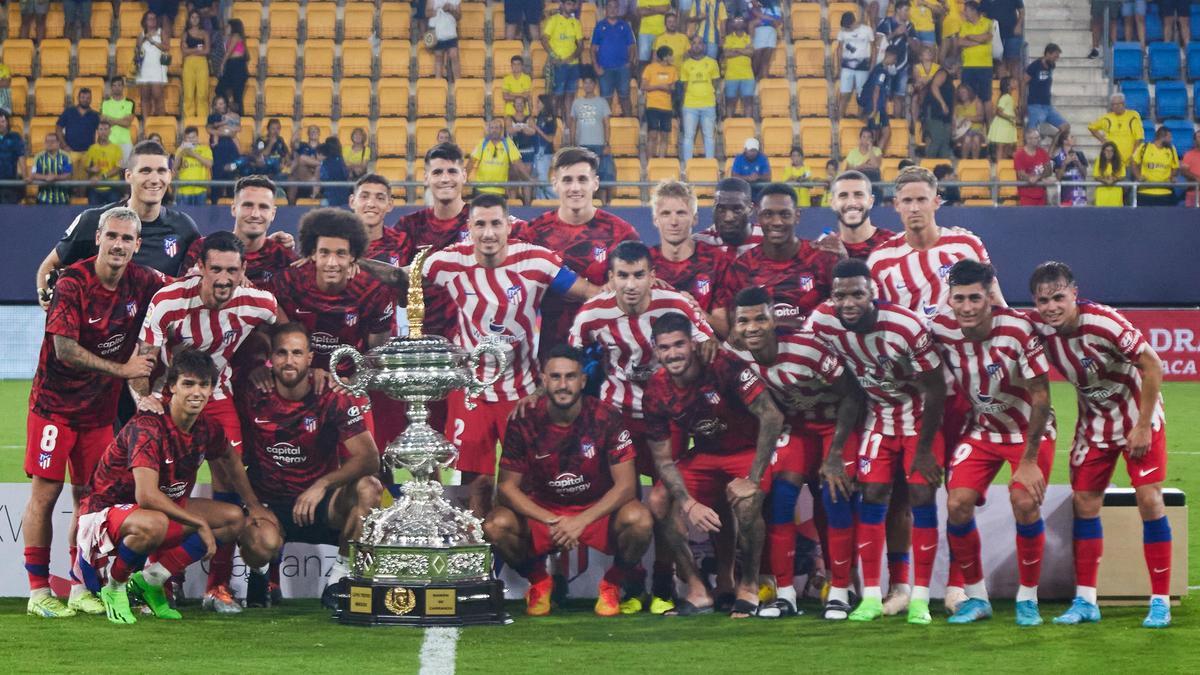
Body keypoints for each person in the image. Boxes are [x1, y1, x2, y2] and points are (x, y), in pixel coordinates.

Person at [22, 208, 166, 619]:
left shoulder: (144, 281)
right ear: (99, 237)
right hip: (53, 407)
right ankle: (37, 592)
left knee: (90, 501)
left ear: (137, 245)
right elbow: (65, 350)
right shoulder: (73, 281)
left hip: (98, 415)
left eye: (127, 239)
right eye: (112, 236)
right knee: (45, 495)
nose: (119, 245)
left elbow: (182, 290)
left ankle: (80, 585)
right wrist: (124, 370)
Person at [868, 166, 1000, 613]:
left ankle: (959, 583)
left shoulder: (965, 245)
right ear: (895, 206)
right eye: (906, 201)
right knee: (906, 492)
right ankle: (901, 585)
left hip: (963, 385)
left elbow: (996, 306)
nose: (914, 208)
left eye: (922, 199)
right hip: (911, 393)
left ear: (936, 201)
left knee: (958, 486)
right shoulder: (882, 261)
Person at [561, 241, 714, 613]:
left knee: (667, 500)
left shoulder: (676, 304)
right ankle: (629, 583)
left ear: (652, 276)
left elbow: (709, 346)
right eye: (623, 276)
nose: (631, 284)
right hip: (619, 417)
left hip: (669, 416)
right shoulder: (591, 314)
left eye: (639, 275)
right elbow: (570, 360)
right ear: (610, 278)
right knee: (626, 502)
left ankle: (663, 583)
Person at [424, 193, 600, 517]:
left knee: (532, 479)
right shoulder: (447, 261)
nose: (488, 233)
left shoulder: (537, 261)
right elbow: (403, 279)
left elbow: (589, 293)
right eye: (480, 225)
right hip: (471, 388)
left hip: (521, 389)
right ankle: (476, 555)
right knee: (475, 481)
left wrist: (641, 294)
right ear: (469, 228)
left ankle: (526, 555)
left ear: (508, 225)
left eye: (495, 224)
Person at [132, 231, 281, 613]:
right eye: (216, 269)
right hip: (169, 399)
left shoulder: (258, 303)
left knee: (229, 481)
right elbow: (144, 358)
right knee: (167, 486)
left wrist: (265, 365)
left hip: (217, 398)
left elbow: (283, 332)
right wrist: (143, 398)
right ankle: (160, 581)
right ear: (200, 268)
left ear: (244, 270)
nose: (224, 279)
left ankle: (217, 587)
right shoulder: (169, 301)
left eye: (233, 270)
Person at [75, 349, 280, 625]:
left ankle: (150, 580)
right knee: (156, 522)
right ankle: (115, 586)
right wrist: (199, 523)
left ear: (212, 389)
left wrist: (254, 506)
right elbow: (145, 496)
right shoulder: (149, 426)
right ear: (172, 387)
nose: (196, 392)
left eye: (203, 385)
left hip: (150, 513)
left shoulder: (207, 427)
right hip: (103, 514)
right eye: (188, 384)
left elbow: (231, 462)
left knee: (233, 519)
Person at [1027, 262, 1173, 629]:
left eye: (1058, 297)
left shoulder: (1105, 323)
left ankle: (1160, 601)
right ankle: (1086, 600)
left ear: (1074, 294)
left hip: (1137, 416)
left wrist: (1141, 426)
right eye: (1043, 300)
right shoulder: (1039, 329)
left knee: (1150, 500)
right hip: (1094, 422)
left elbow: (1152, 365)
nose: (1051, 307)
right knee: (1085, 503)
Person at [807, 258, 946, 625]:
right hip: (878, 421)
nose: (848, 302)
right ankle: (869, 596)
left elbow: (936, 387)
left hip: (917, 421)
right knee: (872, 497)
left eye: (857, 294)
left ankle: (920, 599)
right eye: (840, 295)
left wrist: (928, 447)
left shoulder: (905, 325)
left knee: (920, 498)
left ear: (873, 294)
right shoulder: (821, 322)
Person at [724, 287, 863, 619]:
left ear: (774, 320)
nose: (752, 327)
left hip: (834, 427)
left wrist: (835, 455)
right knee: (782, 499)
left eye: (760, 318)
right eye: (744, 321)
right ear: (735, 325)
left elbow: (853, 395)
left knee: (834, 497)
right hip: (797, 429)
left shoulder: (807, 348)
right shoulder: (735, 354)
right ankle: (785, 595)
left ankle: (840, 592)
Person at [484, 345, 652, 617]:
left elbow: (627, 486)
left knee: (639, 519)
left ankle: (612, 583)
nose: (563, 385)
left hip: (594, 509)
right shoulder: (524, 419)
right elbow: (506, 487)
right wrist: (553, 520)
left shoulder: (606, 416)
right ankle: (540, 580)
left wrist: (581, 520)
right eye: (556, 377)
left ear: (583, 380)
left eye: (571, 377)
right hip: (544, 510)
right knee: (495, 524)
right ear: (543, 380)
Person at [930, 260, 1055, 626]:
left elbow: (1042, 396)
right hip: (983, 431)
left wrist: (1030, 459)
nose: (967, 307)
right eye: (960, 299)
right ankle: (976, 596)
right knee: (957, 503)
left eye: (975, 298)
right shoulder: (940, 328)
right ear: (949, 300)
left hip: (1027, 431)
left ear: (989, 298)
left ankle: (1027, 598)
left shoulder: (1017, 330)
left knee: (1024, 501)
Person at [643, 311, 784, 618]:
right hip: (705, 454)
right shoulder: (655, 389)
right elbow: (663, 459)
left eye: (679, 344)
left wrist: (753, 477)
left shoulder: (723, 365)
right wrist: (688, 503)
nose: (673, 353)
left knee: (747, 504)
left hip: (746, 449)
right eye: (664, 347)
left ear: (693, 344)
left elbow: (772, 415)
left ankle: (746, 586)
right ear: (655, 350)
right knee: (658, 500)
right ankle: (697, 589)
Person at [235, 323, 384, 609]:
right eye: (281, 353)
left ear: (310, 357)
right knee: (259, 542)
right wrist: (252, 504)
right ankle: (259, 574)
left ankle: (339, 581)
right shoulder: (252, 393)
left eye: (296, 353)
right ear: (271, 358)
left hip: (320, 505)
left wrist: (322, 485)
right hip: (271, 503)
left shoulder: (331, 395)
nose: (289, 361)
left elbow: (369, 458)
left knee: (370, 489)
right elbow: (226, 454)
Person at [38, 141, 200, 309]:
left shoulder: (184, 227)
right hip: (103, 331)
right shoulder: (94, 220)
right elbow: (49, 266)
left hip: (157, 332)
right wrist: (48, 300)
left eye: (161, 171)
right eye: (145, 171)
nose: (154, 179)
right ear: (128, 175)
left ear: (169, 176)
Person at [511, 146, 639, 358]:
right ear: (555, 184)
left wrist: (620, 286)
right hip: (553, 351)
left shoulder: (621, 233)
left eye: (582, 179)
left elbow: (638, 286)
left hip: (607, 351)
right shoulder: (534, 233)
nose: (575, 187)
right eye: (567, 180)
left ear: (595, 183)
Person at [269, 208, 395, 373]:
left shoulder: (373, 290)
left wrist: (352, 380)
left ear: (353, 256)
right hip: (300, 376)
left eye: (341, 254)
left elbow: (377, 352)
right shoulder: (288, 282)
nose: (332, 263)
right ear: (313, 254)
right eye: (324, 253)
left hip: (349, 380)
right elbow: (275, 341)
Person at [712, 183, 838, 336]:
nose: (776, 222)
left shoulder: (821, 259)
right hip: (761, 357)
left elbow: (841, 314)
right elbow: (736, 330)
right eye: (768, 214)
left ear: (797, 216)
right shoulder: (742, 267)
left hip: (815, 353)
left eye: (784, 214)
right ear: (759, 216)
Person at [180, 175, 297, 287]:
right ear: (234, 209)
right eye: (248, 205)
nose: (255, 214)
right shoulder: (202, 248)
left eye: (263, 207)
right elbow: (180, 295)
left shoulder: (283, 256)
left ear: (273, 214)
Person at [648, 180, 730, 320]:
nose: (673, 222)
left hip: (703, 340)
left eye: (681, 213)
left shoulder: (716, 261)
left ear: (695, 218)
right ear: (656, 220)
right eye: (666, 214)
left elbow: (723, 328)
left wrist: (696, 312)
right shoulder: (645, 263)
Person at [822, 170, 897, 260]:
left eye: (858, 195)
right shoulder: (824, 253)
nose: (851, 203)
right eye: (843, 195)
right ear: (832, 203)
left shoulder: (893, 245)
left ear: (871, 201)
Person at [693, 177, 763, 256]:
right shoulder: (698, 243)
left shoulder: (766, 240)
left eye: (737, 210)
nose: (728, 218)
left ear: (750, 209)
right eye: (721, 209)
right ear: (713, 208)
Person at [352, 174, 411, 268]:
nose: (371, 204)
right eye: (364, 196)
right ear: (352, 202)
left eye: (380, 198)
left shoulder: (403, 243)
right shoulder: (338, 242)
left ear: (390, 205)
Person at [679, 37, 721, 162]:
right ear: (691, 46)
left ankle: (710, 164)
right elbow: (685, 86)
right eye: (694, 43)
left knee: (709, 136)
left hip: (708, 104)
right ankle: (687, 166)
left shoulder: (712, 63)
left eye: (700, 43)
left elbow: (715, 83)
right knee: (688, 136)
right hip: (690, 105)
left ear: (704, 46)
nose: (697, 46)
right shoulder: (686, 64)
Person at [591, 1, 636, 116]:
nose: (612, 9)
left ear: (618, 9)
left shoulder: (625, 26)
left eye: (615, 7)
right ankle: (606, 129)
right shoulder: (599, 26)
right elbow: (592, 49)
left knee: (625, 98)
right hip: (605, 69)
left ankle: (629, 124)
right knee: (606, 101)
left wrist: (630, 62)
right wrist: (596, 66)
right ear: (606, 9)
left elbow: (632, 47)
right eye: (609, 7)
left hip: (622, 69)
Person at [542, 0, 584, 121]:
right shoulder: (554, 20)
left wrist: (571, 58)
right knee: (557, 96)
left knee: (570, 95)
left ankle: (567, 125)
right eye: (568, 4)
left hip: (573, 65)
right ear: (562, 5)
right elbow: (544, 39)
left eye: (572, 4)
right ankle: (554, 123)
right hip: (558, 65)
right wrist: (553, 56)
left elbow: (581, 45)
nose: (570, 7)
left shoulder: (576, 22)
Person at [570, 73, 614, 186]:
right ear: (582, 85)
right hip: (582, 145)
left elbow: (606, 124)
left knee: (601, 176)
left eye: (590, 82)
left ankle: (603, 203)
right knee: (583, 178)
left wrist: (607, 143)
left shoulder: (602, 102)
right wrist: (572, 143)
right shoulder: (576, 103)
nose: (588, 85)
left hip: (598, 144)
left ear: (595, 85)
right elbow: (573, 124)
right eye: (585, 83)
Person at [466, 118, 527, 199]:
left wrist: (528, 178)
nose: (494, 130)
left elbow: (517, 162)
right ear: (489, 130)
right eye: (492, 128)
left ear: (501, 129)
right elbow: (471, 161)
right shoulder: (483, 143)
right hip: (480, 189)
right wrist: (464, 177)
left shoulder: (508, 143)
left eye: (496, 128)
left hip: (499, 190)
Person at [876, 1, 915, 118]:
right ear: (897, 9)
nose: (908, 13)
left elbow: (916, 47)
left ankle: (897, 122)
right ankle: (883, 122)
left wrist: (907, 36)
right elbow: (877, 42)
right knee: (884, 95)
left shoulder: (910, 26)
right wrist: (895, 33)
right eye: (906, 10)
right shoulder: (885, 22)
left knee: (899, 97)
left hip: (902, 66)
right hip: (885, 65)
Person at [835, 10, 876, 119]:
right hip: (846, 68)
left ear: (853, 22)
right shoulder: (842, 32)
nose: (847, 29)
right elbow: (839, 50)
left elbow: (873, 48)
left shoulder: (867, 30)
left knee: (861, 96)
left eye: (848, 27)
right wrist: (839, 67)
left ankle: (860, 118)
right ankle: (840, 119)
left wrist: (872, 65)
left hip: (863, 68)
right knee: (844, 94)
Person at [1088, 93, 1143, 170]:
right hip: (1112, 161)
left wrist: (1133, 155)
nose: (1115, 107)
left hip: (1128, 162)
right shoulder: (1107, 118)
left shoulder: (1133, 116)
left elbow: (1139, 138)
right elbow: (1091, 127)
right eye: (1113, 104)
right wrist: (1103, 140)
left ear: (1123, 104)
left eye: (1118, 104)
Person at [642, 47, 678, 159]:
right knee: (652, 135)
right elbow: (643, 86)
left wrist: (668, 88)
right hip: (653, 106)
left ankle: (661, 161)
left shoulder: (673, 70)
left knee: (664, 136)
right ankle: (650, 161)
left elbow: (673, 87)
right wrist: (659, 86)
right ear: (665, 56)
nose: (672, 58)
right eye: (671, 55)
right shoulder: (650, 68)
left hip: (666, 107)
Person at [1024, 44, 1067, 137]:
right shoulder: (1034, 66)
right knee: (1033, 132)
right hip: (1035, 105)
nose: (1056, 59)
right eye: (1055, 56)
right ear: (1048, 54)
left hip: (1047, 105)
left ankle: (1052, 149)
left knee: (1065, 127)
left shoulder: (1051, 65)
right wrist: (1022, 102)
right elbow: (1023, 82)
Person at [1131, 126, 1179, 206]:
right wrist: (1138, 176)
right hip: (1145, 191)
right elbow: (1133, 162)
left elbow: (1175, 167)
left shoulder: (1171, 149)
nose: (1171, 140)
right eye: (1169, 137)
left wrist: (1172, 176)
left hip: (1165, 192)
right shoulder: (1144, 147)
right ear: (1162, 137)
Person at [957, 2, 993, 105]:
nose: (964, 13)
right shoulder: (964, 25)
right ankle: (971, 120)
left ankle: (987, 120)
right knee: (967, 96)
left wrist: (970, 37)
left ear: (974, 11)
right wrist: (979, 41)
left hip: (985, 66)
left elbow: (988, 37)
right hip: (968, 66)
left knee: (986, 97)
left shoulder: (988, 23)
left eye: (966, 10)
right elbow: (960, 42)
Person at [921, 57, 958, 159]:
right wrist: (942, 103)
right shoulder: (943, 73)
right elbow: (934, 86)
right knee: (937, 138)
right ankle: (928, 164)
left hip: (945, 115)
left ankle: (943, 164)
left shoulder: (950, 79)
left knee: (945, 140)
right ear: (953, 66)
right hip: (935, 113)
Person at [135, 12, 169, 117]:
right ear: (145, 21)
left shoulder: (161, 32)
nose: (152, 20)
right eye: (149, 19)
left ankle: (161, 122)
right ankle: (146, 124)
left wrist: (153, 42)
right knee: (145, 97)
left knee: (158, 97)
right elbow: (137, 51)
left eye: (154, 18)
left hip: (157, 69)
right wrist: (144, 39)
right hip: (145, 69)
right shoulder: (141, 35)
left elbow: (166, 47)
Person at [722, 16, 756, 119]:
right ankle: (729, 123)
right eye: (736, 20)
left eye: (741, 20)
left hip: (747, 76)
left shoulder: (749, 38)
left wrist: (735, 50)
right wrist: (743, 50)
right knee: (730, 102)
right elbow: (727, 54)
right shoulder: (727, 38)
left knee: (748, 101)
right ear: (732, 24)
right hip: (731, 76)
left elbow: (751, 53)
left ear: (745, 24)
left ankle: (748, 123)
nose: (738, 22)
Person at [57, 89, 101, 167]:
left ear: (91, 99)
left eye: (88, 98)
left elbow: (101, 132)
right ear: (78, 98)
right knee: (70, 177)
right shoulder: (69, 112)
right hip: (70, 152)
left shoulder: (95, 115)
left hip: (88, 153)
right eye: (83, 97)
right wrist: (64, 146)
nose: (85, 100)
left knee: (86, 177)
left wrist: (96, 148)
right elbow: (58, 128)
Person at [85, 122, 124, 205]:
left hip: (112, 187)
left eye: (106, 129)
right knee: (94, 216)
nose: (103, 132)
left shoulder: (117, 148)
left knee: (114, 215)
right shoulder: (92, 148)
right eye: (101, 129)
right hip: (96, 188)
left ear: (110, 131)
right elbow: (86, 167)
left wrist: (102, 176)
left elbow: (118, 168)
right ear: (97, 132)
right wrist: (91, 169)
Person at [215, 18, 249, 115]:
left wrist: (222, 64)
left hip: (236, 66)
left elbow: (229, 51)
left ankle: (239, 117)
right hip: (232, 66)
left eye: (228, 26)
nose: (227, 27)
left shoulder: (236, 36)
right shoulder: (230, 37)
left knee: (237, 95)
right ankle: (228, 108)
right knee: (220, 89)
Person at [984, 0, 1024, 79]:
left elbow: (1021, 11)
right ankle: (1003, 86)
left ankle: (1014, 86)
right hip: (994, 34)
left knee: (1013, 60)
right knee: (998, 61)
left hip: (1012, 32)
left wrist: (1019, 25)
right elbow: (982, 13)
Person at [181, 10, 211, 118]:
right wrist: (197, 49)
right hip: (188, 64)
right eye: (192, 17)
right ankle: (189, 118)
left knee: (202, 94)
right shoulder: (185, 34)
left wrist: (190, 50)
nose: (194, 19)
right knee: (188, 94)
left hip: (202, 63)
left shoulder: (204, 33)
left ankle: (202, 118)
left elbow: (207, 51)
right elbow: (184, 51)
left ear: (200, 19)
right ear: (189, 19)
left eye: (197, 17)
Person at [1013, 127, 1054, 206]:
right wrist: (1032, 178)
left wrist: (1038, 177)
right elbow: (1021, 175)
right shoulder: (1019, 154)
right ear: (1027, 139)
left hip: (1042, 195)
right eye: (1033, 138)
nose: (1037, 140)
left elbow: (1049, 170)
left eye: (1037, 138)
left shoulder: (1043, 152)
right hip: (1026, 196)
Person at [173, 126, 212, 206]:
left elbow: (209, 164)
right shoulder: (180, 150)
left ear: (197, 137)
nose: (191, 140)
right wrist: (181, 153)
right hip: (184, 190)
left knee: (200, 216)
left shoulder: (205, 149)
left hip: (200, 189)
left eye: (193, 137)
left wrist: (193, 154)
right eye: (188, 138)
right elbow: (175, 167)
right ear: (185, 139)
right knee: (184, 217)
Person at [31, 133, 73, 205]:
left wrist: (55, 177)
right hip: (43, 199)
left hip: (62, 199)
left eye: (52, 141)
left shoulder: (66, 157)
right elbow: (33, 174)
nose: (49, 144)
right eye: (47, 141)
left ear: (58, 143)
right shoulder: (38, 157)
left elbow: (68, 174)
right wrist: (46, 177)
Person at [101, 78, 136, 163]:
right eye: (114, 85)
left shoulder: (130, 103)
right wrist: (121, 120)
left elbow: (127, 123)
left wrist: (110, 119)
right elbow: (104, 123)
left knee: (127, 171)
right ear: (111, 87)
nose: (117, 88)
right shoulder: (105, 103)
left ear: (123, 87)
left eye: (119, 85)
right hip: (110, 141)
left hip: (125, 142)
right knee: (110, 170)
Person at [510, 108, 539, 204]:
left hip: (527, 152)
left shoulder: (529, 119)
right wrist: (518, 129)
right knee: (514, 180)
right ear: (514, 105)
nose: (519, 105)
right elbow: (509, 131)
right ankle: (513, 206)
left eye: (521, 103)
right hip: (515, 151)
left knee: (526, 181)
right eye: (517, 103)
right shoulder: (509, 118)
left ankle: (527, 206)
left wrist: (522, 128)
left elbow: (533, 132)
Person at [428, 0, 462, 81]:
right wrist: (440, 10)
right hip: (437, 32)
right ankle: (438, 84)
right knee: (439, 58)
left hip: (451, 32)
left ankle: (458, 84)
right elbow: (427, 13)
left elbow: (459, 17)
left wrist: (451, 10)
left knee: (454, 56)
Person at [749, 0, 783, 80]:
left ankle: (764, 80)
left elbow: (778, 21)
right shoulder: (754, 8)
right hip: (760, 32)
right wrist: (772, 20)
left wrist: (769, 21)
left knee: (766, 59)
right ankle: (753, 77)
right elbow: (759, 16)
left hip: (771, 33)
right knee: (757, 56)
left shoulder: (775, 6)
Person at [288, 125, 322, 204]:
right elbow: (293, 143)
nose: (313, 132)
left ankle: (314, 182)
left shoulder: (323, 147)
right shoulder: (302, 145)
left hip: (315, 173)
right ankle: (290, 207)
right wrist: (298, 130)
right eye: (311, 131)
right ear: (308, 134)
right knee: (293, 178)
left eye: (315, 131)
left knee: (303, 159)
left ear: (319, 133)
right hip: (301, 172)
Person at [987, 77, 1019, 160]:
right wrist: (1011, 117)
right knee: (1000, 147)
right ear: (1008, 85)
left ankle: (1003, 166)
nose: (1016, 82)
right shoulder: (1005, 97)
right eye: (1013, 81)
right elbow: (999, 112)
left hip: (1007, 126)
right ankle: (999, 167)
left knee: (1005, 147)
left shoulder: (1010, 97)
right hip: (1002, 125)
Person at [910, 45, 941, 131]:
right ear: (920, 57)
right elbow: (918, 80)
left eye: (929, 52)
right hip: (921, 91)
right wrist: (930, 78)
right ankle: (914, 123)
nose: (929, 53)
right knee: (915, 99)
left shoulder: (937, 67)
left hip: (934, 92)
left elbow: (937, 81)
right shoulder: (917, 67)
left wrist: (925, 79)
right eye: (926, 52)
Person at [953, 84, 986, 160]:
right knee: (967, 139)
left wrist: (967, 118)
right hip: (962, 132)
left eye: (964, 92)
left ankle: (975, 162)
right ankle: (964, 162)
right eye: (960, 93)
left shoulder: (977, 102)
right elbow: (954, 120)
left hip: (977, 130)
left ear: (969, 93)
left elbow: (981, 117)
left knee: (976, 139)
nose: (962, 95)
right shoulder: (957, 106)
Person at [1053, 134, 1088, 206]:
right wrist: (1064, 164)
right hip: (1066, 195)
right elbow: (1058, 178)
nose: (1074, 138)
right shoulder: (1058, 157)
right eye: (1071, 137)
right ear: (1064, 141)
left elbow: (1084, 174)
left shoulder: (1080, 154)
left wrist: (1078, 163)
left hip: (1080, 194)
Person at [637, 0, 672, 70]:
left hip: (662, 31)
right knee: (643, 61)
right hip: (645, 32)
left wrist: (650, 8)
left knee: (663, 58)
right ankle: (644, 79)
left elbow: (666, 8)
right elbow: (641, 11)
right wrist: (659, 10)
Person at [318, 137, 351, 207]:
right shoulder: (341, 161)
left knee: (323, 203)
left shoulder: (325, 163)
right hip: (344, 197)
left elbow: (323, 178)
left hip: (331, 196)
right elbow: (346, 175)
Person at [1093, 140, 1126, 206]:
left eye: (1111, 151)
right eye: (1107, 150)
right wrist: (1105, 180)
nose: (1109, 153)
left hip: (1116, 196)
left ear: (1114, 152)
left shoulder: (1120, 162)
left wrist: (1114, 179)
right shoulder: (1099, 160)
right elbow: (1096, 176)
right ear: (1103, 152)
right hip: (1101, 196)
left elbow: (1122, 175)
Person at [1180, 130, 1200, 207]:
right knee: (1191, 217)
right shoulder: (1188, 155)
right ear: (1195, 140)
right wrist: (1196, 178)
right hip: (1193, 193)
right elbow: (1183, 171)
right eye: (1199, 137)